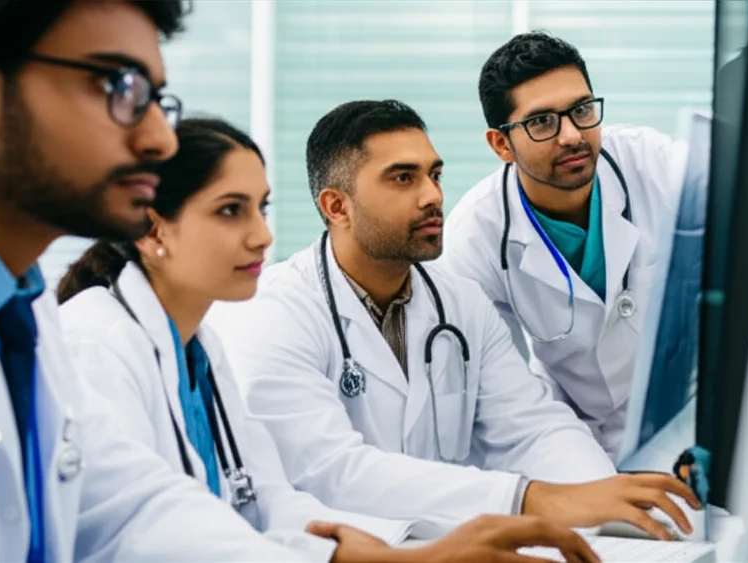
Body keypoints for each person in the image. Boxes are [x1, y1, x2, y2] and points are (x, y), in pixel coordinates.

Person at [0, 2, 589, 561]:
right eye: (119, 86)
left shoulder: (19, 315)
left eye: (156, 97)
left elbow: (139, 510)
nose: (157, 138)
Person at [54, 117, 597, 563]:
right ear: (154, 230)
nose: (263, 234)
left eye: (261, 208)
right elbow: (148, 532)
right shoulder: (97, 343)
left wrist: (384, 554)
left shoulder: (200, 348)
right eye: (230, 211)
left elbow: (269, 502)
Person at [207, 100, 700, 541]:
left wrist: (609, 498)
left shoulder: (459, 302)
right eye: (404, 178)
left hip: (447, 546)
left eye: (434, 175)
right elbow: (330, 472)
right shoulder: (273, 313)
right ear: (337, 206)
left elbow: (531, 427)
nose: (432, 196)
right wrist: (532, 499)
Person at [441, 31, 690, 457]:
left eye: (581, 110)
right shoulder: (476, 237)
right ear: (501, 144)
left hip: (692, 416)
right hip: (578, 435)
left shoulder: (656, 163)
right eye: (542, 122)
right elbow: (500, 394)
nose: (572, 135)